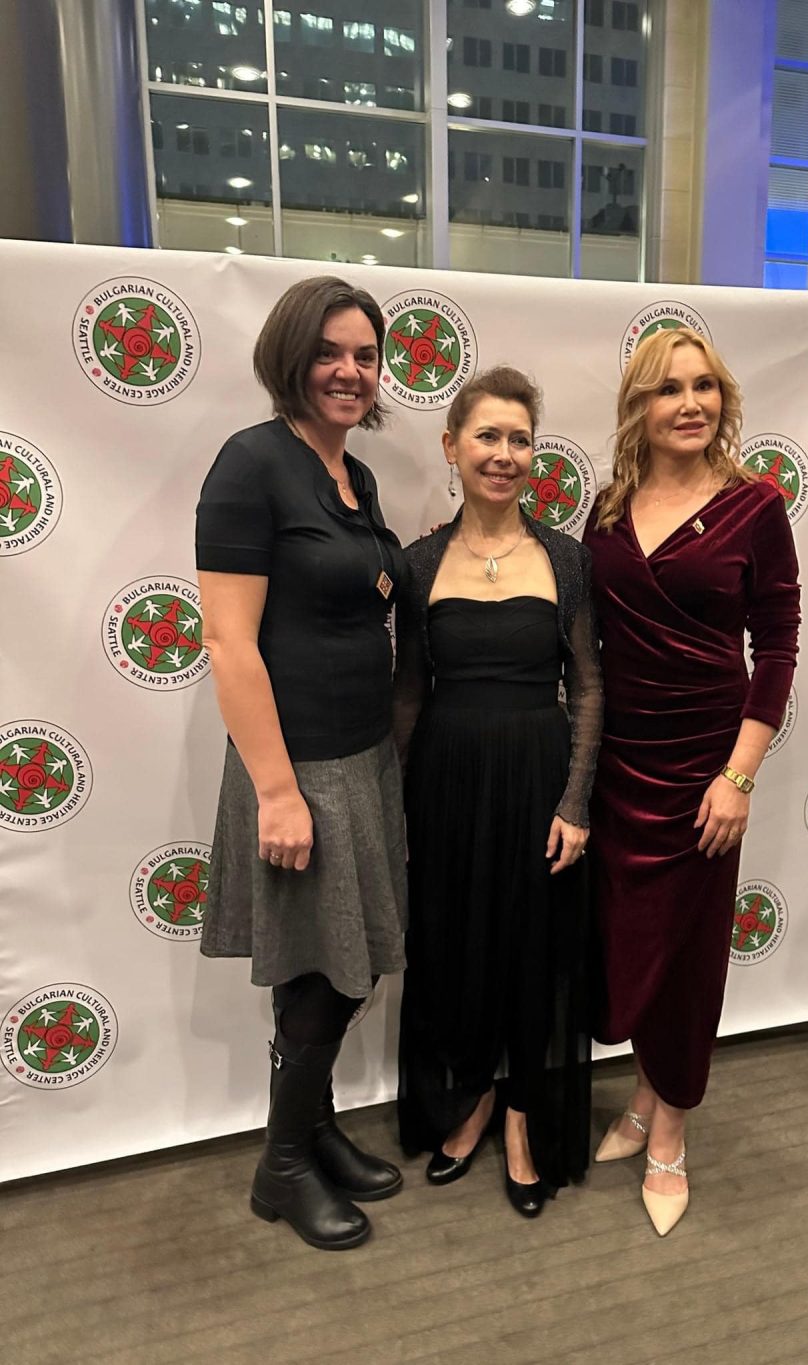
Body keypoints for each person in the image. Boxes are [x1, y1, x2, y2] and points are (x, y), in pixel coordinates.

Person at [195, 276, 407, 1252]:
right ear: (291, 357)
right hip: (299, 766)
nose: (349, 371)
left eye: (364, 354)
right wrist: (278, 792)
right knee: (328, 975)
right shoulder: (250, 465)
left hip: (364, 755)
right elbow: (228, 643)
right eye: (329, 352)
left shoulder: (353, 477)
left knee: (334, 961)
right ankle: (281, 1167)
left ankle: (312, 1130)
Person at [583, 327, 800, 1237]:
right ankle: (642, 1095)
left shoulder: (756, 507)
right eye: (669, 388)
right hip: (619, 761)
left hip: (705, 767)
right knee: (631, 945)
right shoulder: (608, 507)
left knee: (691, 954)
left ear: (724, 399)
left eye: (704, 386)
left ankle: (669, 1130)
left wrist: (738, 776)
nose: (689, 404)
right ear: (639, 405)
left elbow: (778, 647)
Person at [394, 366, 603, 1218]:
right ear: (452, 447)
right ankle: (473, 1095)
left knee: (532, 951)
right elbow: (409, 693)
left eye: (521, 439)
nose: (505, 453)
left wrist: (576, 802)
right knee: (457, 948)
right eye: (488, 436)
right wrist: (399, 806)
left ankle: (521, 1118)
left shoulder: (566, 558)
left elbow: (587, 686)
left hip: (539, 781)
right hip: (445, 783)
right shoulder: (417, 564)